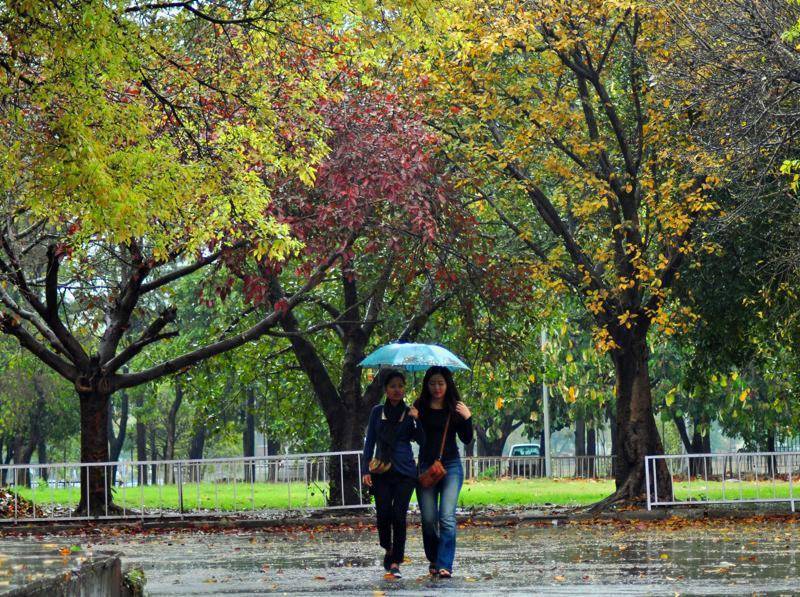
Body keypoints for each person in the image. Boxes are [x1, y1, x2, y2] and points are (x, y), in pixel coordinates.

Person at [361, 369, 425, 578]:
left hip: (406, 472)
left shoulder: (410, 413)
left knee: (398, 516)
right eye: (393, 386)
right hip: (382, 471)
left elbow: (422, 440)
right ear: (386, 390)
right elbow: (369, 442)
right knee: (383, 516)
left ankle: (396, 560)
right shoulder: (377, 412)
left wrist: (418, 420)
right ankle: (387, 547)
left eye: (400, 385)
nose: (398, 390)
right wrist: (365, 470)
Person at [414, 365, 473, 579]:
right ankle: (434, 558)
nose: (437, 387)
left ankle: (445, 564)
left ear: (447, 384)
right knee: (429, 519)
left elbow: (467, 438)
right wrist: (414, 420)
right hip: (426, 467)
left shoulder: (454, 407)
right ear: (426, 385)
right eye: (432, 383)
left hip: (451, 466)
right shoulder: (419, 406)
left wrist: (468, 418)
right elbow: (415, 438)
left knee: (446, 517)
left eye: (440, 383)